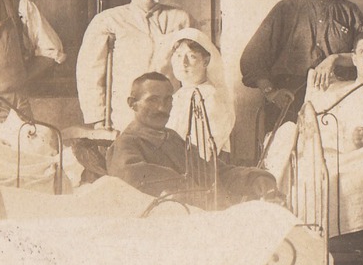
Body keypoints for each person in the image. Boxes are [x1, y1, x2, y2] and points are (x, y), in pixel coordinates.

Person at [240, 0, 363, 125]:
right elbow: (252, 57)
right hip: (288, 98)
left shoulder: (350, 11)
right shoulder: (285, 9)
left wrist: (335, 59)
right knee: (285, 149)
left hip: (336, 100)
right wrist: (271, 93)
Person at [108, 72, 278, 206]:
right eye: (152, 100)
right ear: (132, 103)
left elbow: (210, 171)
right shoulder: (127, 145)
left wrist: (257, 179)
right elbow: (142, 187)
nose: (162, 108)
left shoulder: (171, 138)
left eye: (168, 100)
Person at [75, 0, 192, 130]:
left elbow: (195, 66)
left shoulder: (180, 18)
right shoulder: (108, 20)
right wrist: (98, 118)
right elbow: (90, 72)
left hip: (170, 112)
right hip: (125, 115)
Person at [165, 28, 234, 156]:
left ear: (206, 61)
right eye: (179, 55)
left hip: (197, 169)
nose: (183, 62)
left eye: (192, 56)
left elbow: (204, 152)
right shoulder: (178, 95)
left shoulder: (210, 96)